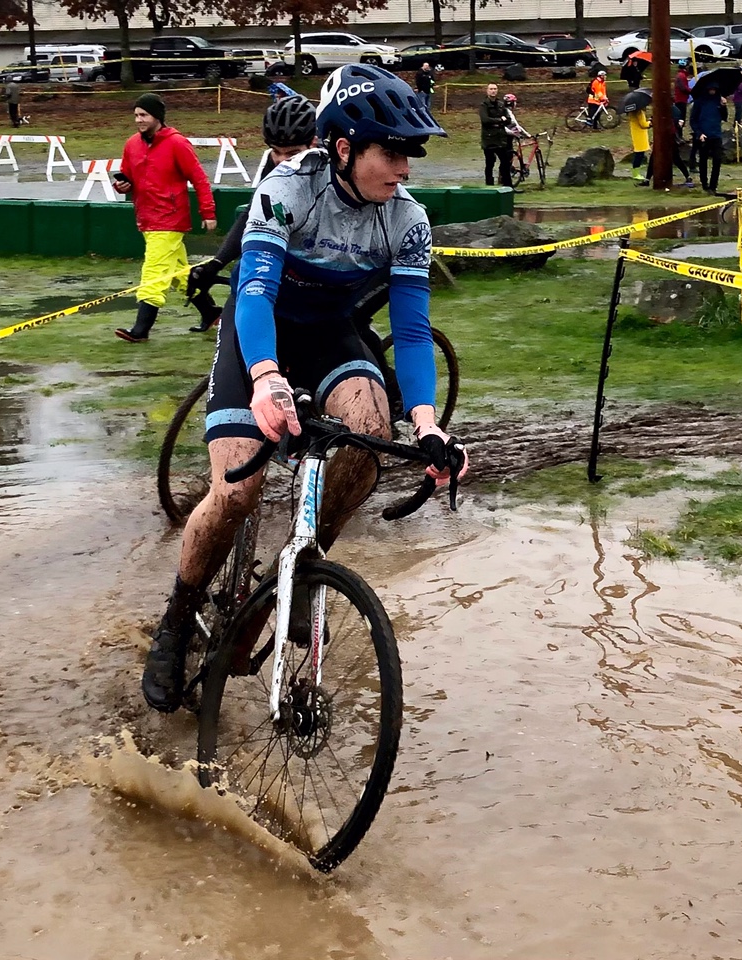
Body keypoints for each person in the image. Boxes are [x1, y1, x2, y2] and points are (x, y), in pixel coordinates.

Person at [140, 64, 465, 713]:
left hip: (328, 335)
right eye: (392, 153)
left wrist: (429, 424)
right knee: (236, 493)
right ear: (344, 147)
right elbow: (255, 291)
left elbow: (411, 328)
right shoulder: (286, 189)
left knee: (371, 435)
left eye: (410, 155)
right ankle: (177, 618)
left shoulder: (408, 219)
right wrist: (266, 378)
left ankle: (303, 567)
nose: (404, 169)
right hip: (259, 333)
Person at [184, 95, 319, 331]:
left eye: (293, 153)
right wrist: (216, 263)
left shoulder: (332, 166)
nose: (283, 162)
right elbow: (254, 214)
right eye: (276, 152)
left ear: (314, 143)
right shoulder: (275, 165)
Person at [113, 93, 218, 343]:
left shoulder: (177, 143)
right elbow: (127, 176)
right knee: (179, 274)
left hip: (169, 219)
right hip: (146, 218)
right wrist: (122, 186)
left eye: (144, 115)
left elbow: (199, 178)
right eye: (136, 115)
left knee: (154, 272)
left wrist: (208, 212)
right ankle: (211, 312)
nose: (139, 120)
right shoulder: (131, 144)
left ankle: (141, 329)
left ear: (157, 117)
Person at [637, 103, 694, 189]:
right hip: (663, 137)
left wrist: (654, 121)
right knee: (658, 158)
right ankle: (647, 179)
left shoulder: (670, 109)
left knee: (674, 158)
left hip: (669, 137)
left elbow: (672, 122)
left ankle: (647, 180)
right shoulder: (668, 109)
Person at [689, 82, 727, 194]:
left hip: (716, 134)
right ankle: (704, 184)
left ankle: (713, 185)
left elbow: (724, 117)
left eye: (714, 89)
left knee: (717, 160)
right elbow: (693, 120)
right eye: (710, 89)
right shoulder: (699, 102)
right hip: (703, 135)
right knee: (703, 160)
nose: (712, 91)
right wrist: (699, 133)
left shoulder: (719, 100)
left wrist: (723, 106)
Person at [479, 82, 512, 187]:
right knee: (490, 163)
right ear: (487, 91)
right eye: (491, 89)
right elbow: (485, 120)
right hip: (489, 139)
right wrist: (499, 120)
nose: (493, 91)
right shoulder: (484, 105)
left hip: (500, 138)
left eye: (495, 89)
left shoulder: (501, 104)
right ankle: (489, 185)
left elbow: (508, 120)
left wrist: (500, 121)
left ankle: (508, 185)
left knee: (505, 162)